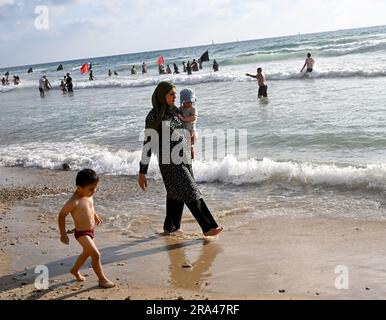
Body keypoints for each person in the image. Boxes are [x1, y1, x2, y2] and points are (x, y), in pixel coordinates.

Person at [138, 81, 223, 237]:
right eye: (171, 94)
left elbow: (188, 126)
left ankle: (170, 227)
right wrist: (142, 171)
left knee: (175, 195)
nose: (175, 97)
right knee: (190, 191)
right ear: (162, 95)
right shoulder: (153, 116)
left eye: (175, 94)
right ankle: (208, 227)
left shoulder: (175, 111)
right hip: (169, 161)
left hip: (184, 158)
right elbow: (148, 143)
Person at [58, 169, 115, 288]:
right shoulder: (74, 201)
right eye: (91, 188)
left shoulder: (88, 195)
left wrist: (95, 215)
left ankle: (74, 270)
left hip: (91, 231)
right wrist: (63, 234)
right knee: (96, 254)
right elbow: (62, 215)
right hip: (81, 233)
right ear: (79, 187)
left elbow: (90, 207)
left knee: (86, 253)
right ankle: (102, 279)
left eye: (95, 187)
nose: (94, 191)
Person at [178, 88, 198, 159]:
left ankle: (192, 161)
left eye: (191, 101)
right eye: (188, 101)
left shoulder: (193, 109)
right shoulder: (180, 109)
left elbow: (194, 117)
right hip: (183, 132)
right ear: (183, 101)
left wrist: (184, 119)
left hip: (191, 131)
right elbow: (176, 114)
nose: (190, 103)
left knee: (191, 147)